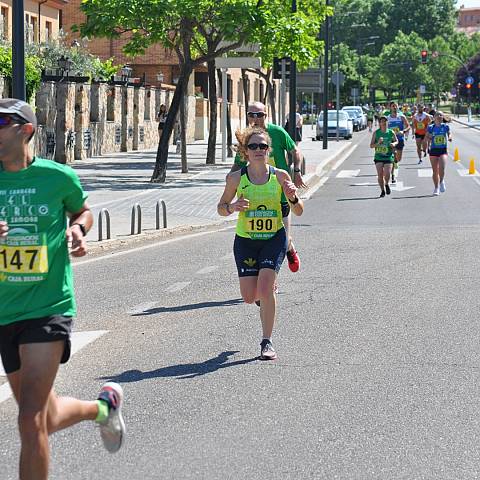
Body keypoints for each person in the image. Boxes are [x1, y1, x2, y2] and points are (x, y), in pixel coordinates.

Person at [0, 99, 125, 480]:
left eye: (1, 122)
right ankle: (103, 408)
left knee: (28, 419)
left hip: (48, 306)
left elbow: (82, 209)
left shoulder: (58, 177)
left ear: (26, 130)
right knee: (45, 417)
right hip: (5, 310)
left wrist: (78, 229)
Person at [218, 126, 304, 360]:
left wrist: (293, 196)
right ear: (245, 151)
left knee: (265, 289)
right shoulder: (236, 178)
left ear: (269, 151)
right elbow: (221, 208)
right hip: (246, 241)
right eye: (253, 146)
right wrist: (232, 207)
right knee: (249, 297)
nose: (258, 150)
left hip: (274, 239)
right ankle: (264, 293)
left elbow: (298, 211)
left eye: (263, 146)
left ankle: (267, 342)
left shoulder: (280, 177)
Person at [230, 102, 306, 273]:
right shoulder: (247, 138)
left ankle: (288, 249)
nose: (255, 118)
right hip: (256, 198)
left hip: (280, 195)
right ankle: (267, 277)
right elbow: (237, 165)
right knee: (261, 239)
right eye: (252, 115)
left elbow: (295, 151)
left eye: (260, 115)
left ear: (266, 115)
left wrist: (297, 171)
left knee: (282, 239)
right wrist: (229, 180)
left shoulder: (277, 132)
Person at [370, 115, 398, 197]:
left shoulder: (391, 132)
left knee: (387, 174)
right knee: (380, 175)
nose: (383, 123)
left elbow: (396, 141)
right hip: (378, 157)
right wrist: (378, 143)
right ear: (379, 123)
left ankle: (386, 184)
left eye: (385, 121)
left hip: (388, 156)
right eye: (382, 121)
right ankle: (382, 190)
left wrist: (393, 143)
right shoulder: (376, 133)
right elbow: (371, 145)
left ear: (387, 122)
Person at [426, 111, 452, 195]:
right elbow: (427, 136)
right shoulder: (431, 127)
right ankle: (436, 188)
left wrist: (450, 137)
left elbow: (449, 133)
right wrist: (429, 137)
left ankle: (441, 181)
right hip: (433, 150)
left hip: (443, 150)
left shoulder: (445, 126)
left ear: (442, 117)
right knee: (435, 171)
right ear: (434, 117)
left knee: (442, 168)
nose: (439, 116)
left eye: (441, 115)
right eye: (437, 115)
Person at [387, 102, 410, 184]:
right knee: (392, 157)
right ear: (390, 108)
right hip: (391, 140)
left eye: (396, 106)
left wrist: (403, 131)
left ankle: (396, 163)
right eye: (393, 106)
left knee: (398, 158)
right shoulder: (387, 118)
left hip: (400, 139)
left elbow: (408, 126)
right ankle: (392, 175)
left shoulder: (401, 117)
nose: (395, 107)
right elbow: (384, 129)